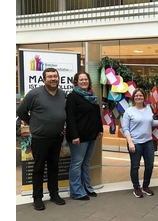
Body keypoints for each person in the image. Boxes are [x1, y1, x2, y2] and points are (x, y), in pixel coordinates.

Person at [16, 67, 66, 211]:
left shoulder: (62, 94)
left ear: (58, 78)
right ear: (44, 79)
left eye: (55, 76)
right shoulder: (35, 94)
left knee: (53, 167)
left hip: (56, 138)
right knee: (38, 169)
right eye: (49, 76)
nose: (53, 79)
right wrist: (32, 122)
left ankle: (54, 194)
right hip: (40, 139)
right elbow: (21, 111)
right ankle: (37, 197)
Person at [121, 88, 158, 198]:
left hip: (148, 142)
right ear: (133, 98)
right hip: (135, 143)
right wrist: (130, 143)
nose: (139, 97)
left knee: (149, 166)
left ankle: (146, 186)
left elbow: (151, 123)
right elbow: (125, 128)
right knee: (135, 166)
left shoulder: (148, 109)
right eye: (136, 96)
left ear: (144, 98)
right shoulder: (129, 111)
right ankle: (136, 188)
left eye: (141, 96)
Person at [65, 71, 104, 200]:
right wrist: (75, 135)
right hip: (78, 137)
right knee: (77, 163)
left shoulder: (92, 96)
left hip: (91, 135)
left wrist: (100, 129)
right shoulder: (72, 96)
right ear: (76, 82)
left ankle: (86, 187)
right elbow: (70, 118)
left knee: (86, 162)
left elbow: (96, 115)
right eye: (81, 80)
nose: (84, 81)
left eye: (85, 79)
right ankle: (76, 191)